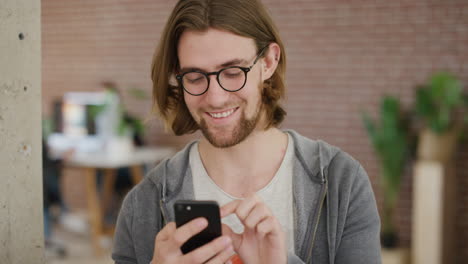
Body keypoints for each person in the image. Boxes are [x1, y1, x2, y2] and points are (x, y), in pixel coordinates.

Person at [112, 0, 381, 263]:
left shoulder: (341, 183)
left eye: (232, 72)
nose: (215, 98)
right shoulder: (142, 205)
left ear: (268, 62)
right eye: (194, 77)